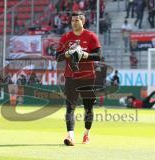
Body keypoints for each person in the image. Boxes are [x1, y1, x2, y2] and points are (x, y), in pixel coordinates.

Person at [56, 11, 102, 146]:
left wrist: (85, 55)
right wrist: (68, 53)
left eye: (77, 20)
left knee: (88, 108)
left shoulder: (91, 36)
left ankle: (86, 134)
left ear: (83, 21)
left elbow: (98, 56)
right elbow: (58, 57)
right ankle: (70, 136)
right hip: (71, 77)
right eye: (72, 20)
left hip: (88, 77)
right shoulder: (65, 37)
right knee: (70, 107)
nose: (74, 23)